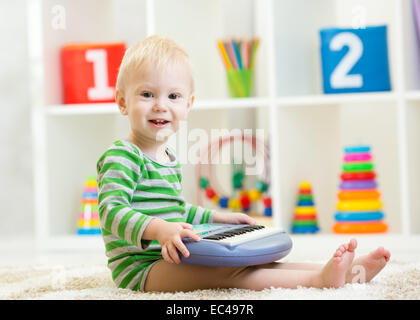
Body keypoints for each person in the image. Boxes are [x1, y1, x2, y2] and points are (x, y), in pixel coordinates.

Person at [96, 35, 391, 292]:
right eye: (147, 94)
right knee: (228, 274)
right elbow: (111, 212)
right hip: (143, 267)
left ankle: (347, 273)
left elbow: (177, 210)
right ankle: (318, 280)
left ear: (188, 104)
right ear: (122, 102)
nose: (161, 105)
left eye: (173, 96)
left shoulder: (168, 158)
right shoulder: (122, 156)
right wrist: (161, 231)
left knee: (257, 260)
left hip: (173, 251)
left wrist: (220, 218)